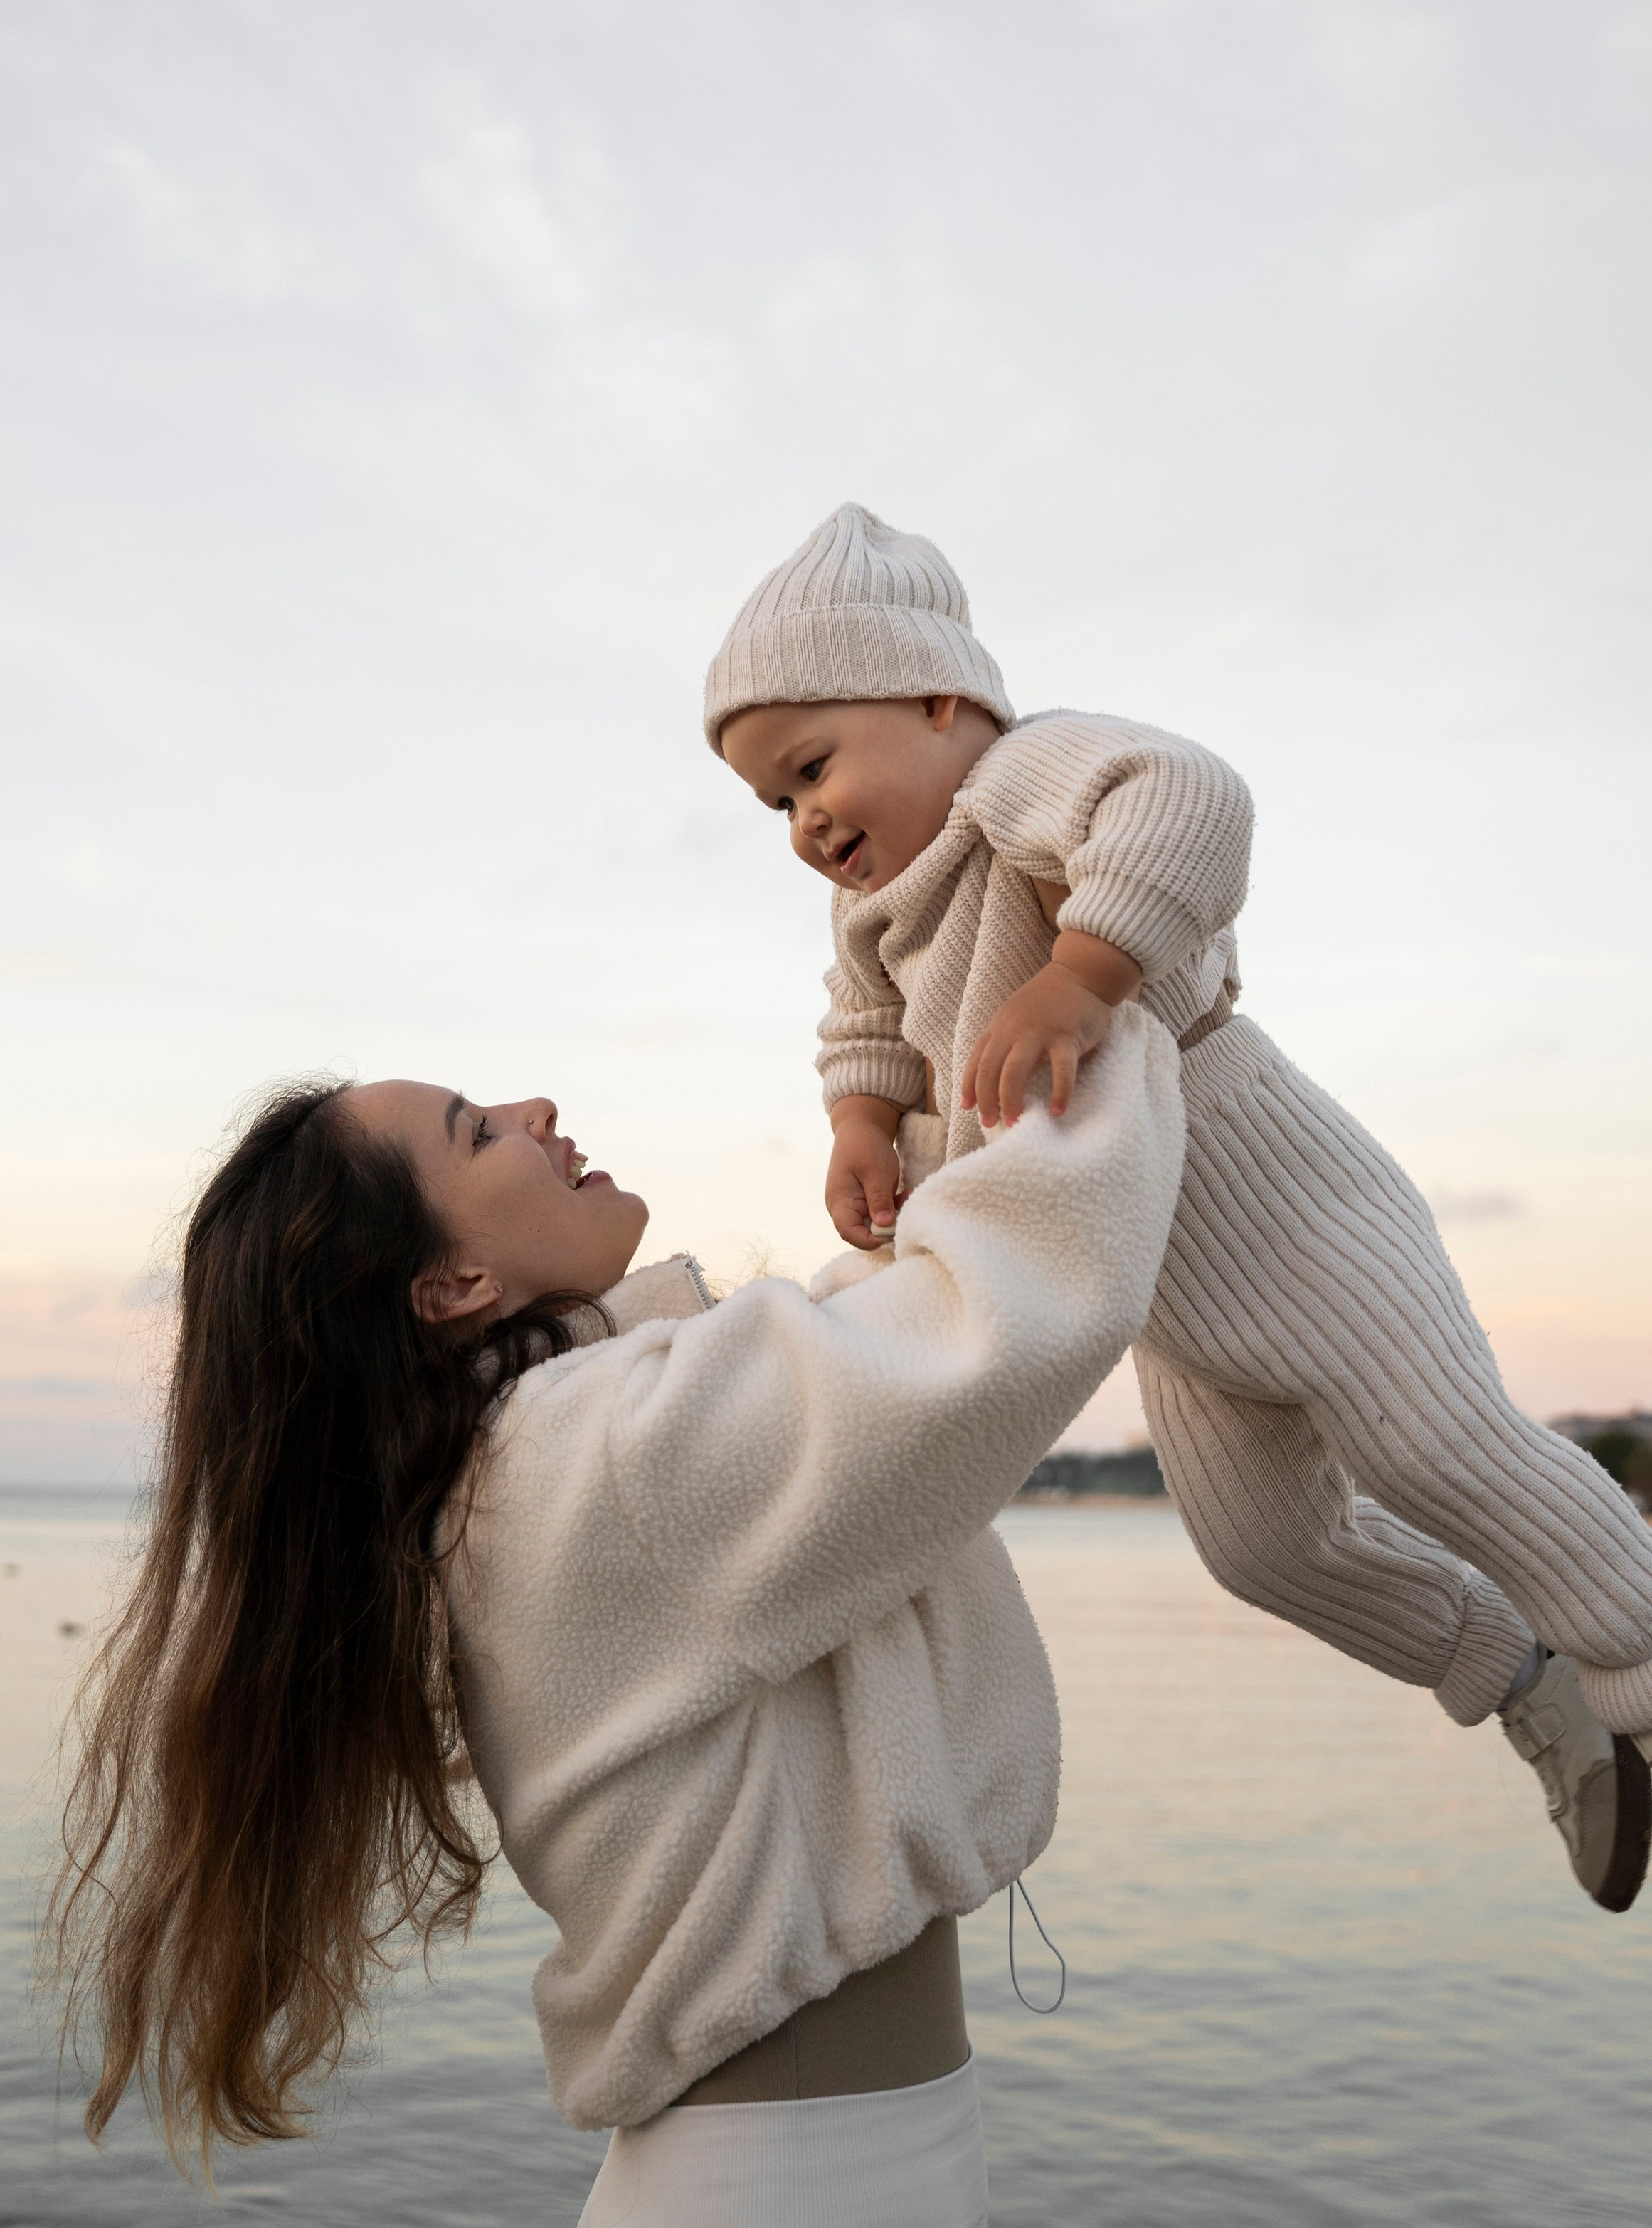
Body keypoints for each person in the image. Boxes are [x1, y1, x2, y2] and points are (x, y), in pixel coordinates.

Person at [46, 1009, 1187, 2225]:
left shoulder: (538, 1466)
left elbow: (877, 1326)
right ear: (453, 1284)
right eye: (479, 1133)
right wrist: (1121, 1009)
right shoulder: (590, 1464)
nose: (535, 1111)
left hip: (825, 2156)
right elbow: (999, 1316)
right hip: (800, 2177)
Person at [708, 501, 1652, 1917]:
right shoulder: (877, 905)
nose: (802, 824)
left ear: (938, 700)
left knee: (1427, 1440)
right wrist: (858, 1121)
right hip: (1144, 1269)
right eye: (774, 804)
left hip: (1265, 1183)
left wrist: (1081, 972)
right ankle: (1526, 1681)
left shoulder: (1021, 779)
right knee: (1260, 1547)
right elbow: (864, 1018)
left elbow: (1187, 798)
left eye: (811, 767)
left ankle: (1633, 1669)